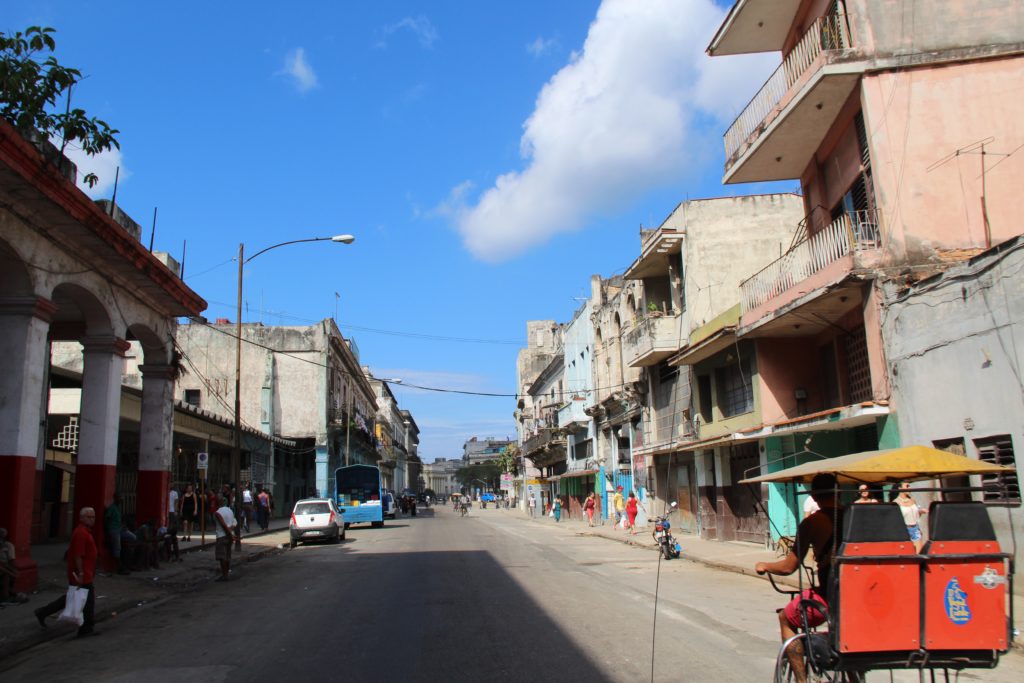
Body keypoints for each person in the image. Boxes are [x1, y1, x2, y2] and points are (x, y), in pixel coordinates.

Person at [755, 474, 843, 683]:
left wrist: (765, 565)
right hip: (865, 596)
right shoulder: (857, 516)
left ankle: (802, 680)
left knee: (786, 618)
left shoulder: (812, 523)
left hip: (833, 595)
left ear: (813, 496)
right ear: (838, 491)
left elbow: (788, 567)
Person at [35, 507, 99, 637]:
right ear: (81, 518)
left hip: (85, 572)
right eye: (88, 517)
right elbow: (77, 555)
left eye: (93, 517)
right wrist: (81, 573)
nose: (92, 519)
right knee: (87, 599)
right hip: (81, 573)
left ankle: (43, 612)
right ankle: (86, 628)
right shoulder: (81, 533)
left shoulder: (85, 532)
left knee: (72, 598)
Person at [104, 493, 135, 575]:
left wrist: (123, 525)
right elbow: (107, 518)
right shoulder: (112, 508)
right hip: (114, 529)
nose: (121, 499)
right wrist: (108, 530)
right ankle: (120, 568)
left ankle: (126, 562)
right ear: (115, 498)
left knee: (133, 537)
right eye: (120, 498)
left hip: (120, 528)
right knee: (117, 548)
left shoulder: (118, 508)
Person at [895, 482, 926, 552]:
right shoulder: (896, 502)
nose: (909, 488)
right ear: (900, 488)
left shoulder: (913, 500)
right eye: (907, 486)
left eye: (909, 486)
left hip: (915, 528)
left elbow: (916, 515)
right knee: (908, 552)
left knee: (919, 552)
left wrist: (920, 512)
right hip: (905, 529)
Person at [214, 495, 237, 582]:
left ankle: (224, 575)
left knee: (222, 556)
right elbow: (235, 522)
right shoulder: (230, 510)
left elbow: (223, 525)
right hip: (229, 535)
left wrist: (229, 533)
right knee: (227, 555)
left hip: (221, 536)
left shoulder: (218, 512)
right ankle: (226, 574)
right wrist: (231, 531)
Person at [0, 527, 17, 603]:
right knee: (6, 574)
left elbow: (11, 561)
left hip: (4, 564)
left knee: (9, 573)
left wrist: (13, 571)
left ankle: (9, 592)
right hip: (2, 566)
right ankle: (5, 596)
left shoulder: (8, 545)